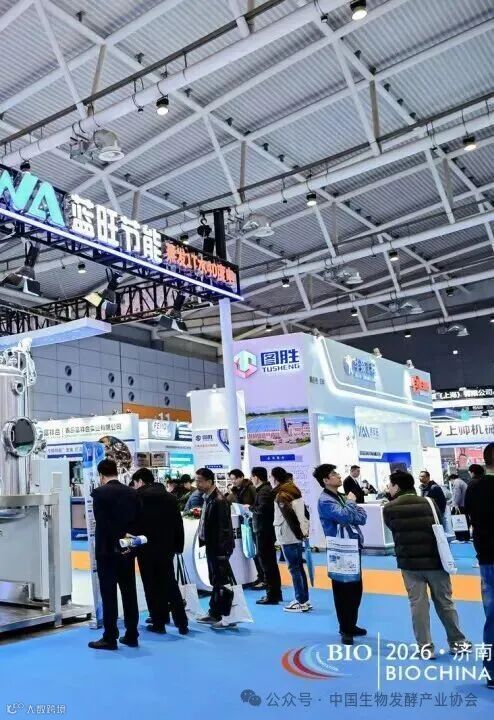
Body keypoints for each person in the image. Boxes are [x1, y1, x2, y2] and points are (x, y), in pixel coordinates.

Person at [383, 470, 470, 658]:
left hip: (409, 564)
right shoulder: (429, 502)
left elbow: (392, 528)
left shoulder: (389, 508)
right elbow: (438, 522)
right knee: (445, 602)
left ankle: (425, 648)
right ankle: (457, 642)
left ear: (397, 486)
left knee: (418, 605)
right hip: (435, 561)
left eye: (390, 485)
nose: (388, 488)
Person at [88, 459, 140, 651]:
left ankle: (110, 637)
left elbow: (102, 523)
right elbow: (138, 520)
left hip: (107, 551)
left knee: (109, 595)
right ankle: (132, 634)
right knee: (129, 593)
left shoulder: (99, 493)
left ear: (101, 475)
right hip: (127, 549)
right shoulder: (132, 492)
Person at [313, 464, 367, 645]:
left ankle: (351, 624)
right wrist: (351, 504)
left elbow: (362, 517)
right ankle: (345, 628)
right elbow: (344, 516)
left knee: (356, 589)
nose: (338, 476)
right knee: (343, 590)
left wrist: (350, 508)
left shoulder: (342, 497)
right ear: (325, 480)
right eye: (334, 474)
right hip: (339, 549)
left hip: (353, 546)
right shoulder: (325, 501)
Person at [132, 468, 188, 636]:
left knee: (151, 585)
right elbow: (178, 524)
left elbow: (134, 524)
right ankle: (182, 622)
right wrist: (178, 546)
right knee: (170, 583)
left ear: (140, 481)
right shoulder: (170, 497)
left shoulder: (138, 497)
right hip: (167, 547)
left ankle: (159, 621)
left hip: (146, 547)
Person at [464, 444, 494, 689]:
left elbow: (472, 519)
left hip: (486, 558)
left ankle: (492, 671)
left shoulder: (473, 487)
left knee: (492, 618)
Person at [194, 468, 236, 630]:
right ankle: (214, 613)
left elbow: (223, 529)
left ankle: (226, 617)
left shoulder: (218, 500)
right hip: (213, 546)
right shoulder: (209, 498)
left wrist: (221, 552)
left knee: (222, 582)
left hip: (219, 548)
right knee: (216, 581)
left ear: (209, 481)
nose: (197, 484)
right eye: (196, 480)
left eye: (199, 481)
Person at [271, 466, 310, 613]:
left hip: (288, 534)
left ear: (275, 478)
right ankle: (304, 599)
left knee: (294, 568)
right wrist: (302, 531)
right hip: (295, 534)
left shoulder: (282, 494)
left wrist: (298, 533)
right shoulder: (294, 489)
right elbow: (303, 512)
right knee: (298, 567)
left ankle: (300, 600)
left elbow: (289, 516)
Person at [251, 466, 282, 606]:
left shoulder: (263, 491)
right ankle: (274, 593)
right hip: (266, 531)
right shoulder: (265, 489)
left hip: (264, 531)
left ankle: (272, 595)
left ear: (256, 477)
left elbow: (262, 509)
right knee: (270, 563)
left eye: (252, 477)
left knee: (267, 564)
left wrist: (250, 508)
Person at [449, 472, 470, 541]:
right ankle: (466, 537)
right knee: (465, 521)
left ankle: (460, 537)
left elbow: (457, 494)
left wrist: (455, 504)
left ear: (451, 479)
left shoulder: (456, 482)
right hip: (464, 505)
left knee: (457, 521)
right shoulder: (462, 482)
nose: (451, 483)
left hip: (459, 506)